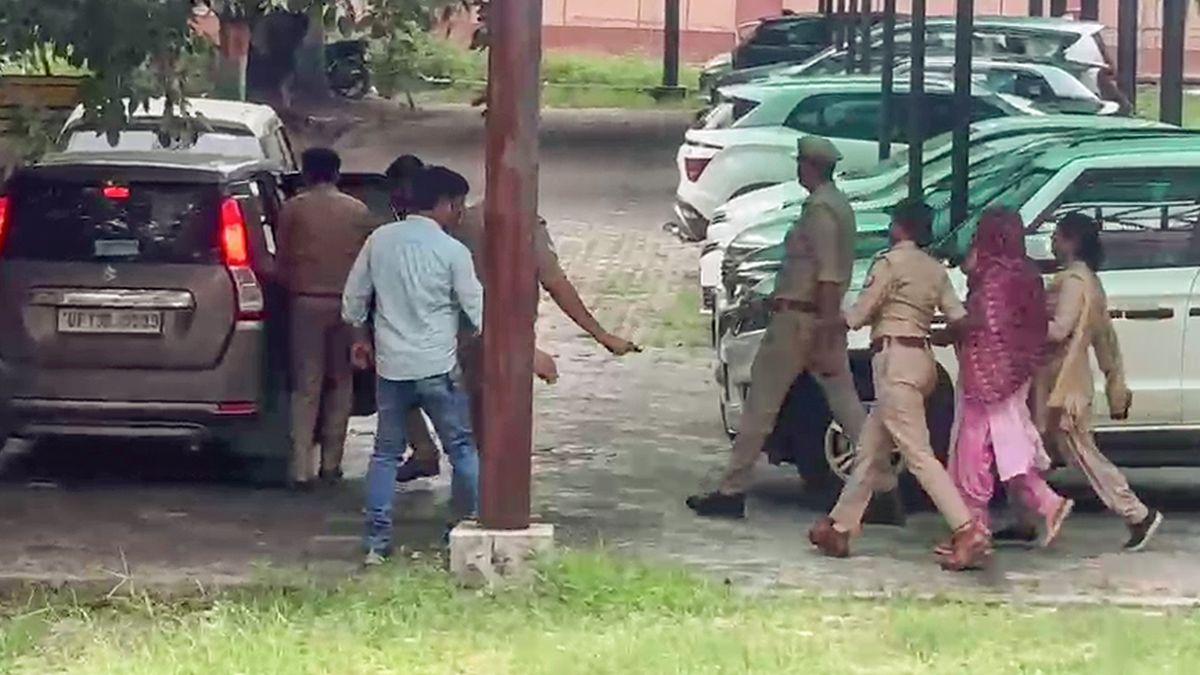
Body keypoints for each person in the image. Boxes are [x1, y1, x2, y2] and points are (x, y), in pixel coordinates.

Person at [388, 154, 641, 483]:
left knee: (474, 427)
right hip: (502, 341)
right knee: (502, 428)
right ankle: (490, 494)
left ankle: (475, 490)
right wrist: (600, 334)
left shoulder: (457, 225)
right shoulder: (521, 225)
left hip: (461, 340)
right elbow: (555, 282)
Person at [686, 136, 874, 520]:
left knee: (761, 405)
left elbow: (827, 274)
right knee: (848, 407)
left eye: (801, 163)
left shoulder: (821, 211)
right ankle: (882, 484)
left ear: (810, 166)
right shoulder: (839, 205)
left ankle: (732, 489)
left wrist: (824, 324)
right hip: (816, 318)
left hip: (800, 321)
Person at [809, 199, 991, 571]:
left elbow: (859, 315)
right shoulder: (934, 269)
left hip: (894, 362)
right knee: (870, 450)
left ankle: (966, 529)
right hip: (922, 359)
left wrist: (822, 321)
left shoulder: (889, 264)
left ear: (899, 227)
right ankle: (840, 526)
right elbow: (959, 319)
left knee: (918, 454)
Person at [343, 166, 483, 566]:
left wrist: (360, 339)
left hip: (391, 368)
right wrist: (469, 340)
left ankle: (376, 542)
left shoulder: (380, 240)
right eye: (459, 205)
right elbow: (477, 310)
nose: (461, 212)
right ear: (444, 204)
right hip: (438, 367)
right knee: (462, 450)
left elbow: (353, 300)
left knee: (385, 454)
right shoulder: (452, 251)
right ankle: (465, 528)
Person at [943, 209, 1073, 547]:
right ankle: (1044, 504)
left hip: (986, 375)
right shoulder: (1028, 273)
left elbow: (984, 323)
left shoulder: (994, 278)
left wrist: (950, 331)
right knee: (1008, 445)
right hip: (1016, 374)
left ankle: (976, 528)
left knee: (972, 453)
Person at [1035, 212, 1163, 551]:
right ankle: (1027, 513)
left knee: (1082, 455)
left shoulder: (1074, 282)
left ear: (1072, 241)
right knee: (1035, 450)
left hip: (1063, 385)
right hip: (1062, 382)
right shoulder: (1087, 280)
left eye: (1057, 235)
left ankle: (1137, 513)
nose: (1052, 241)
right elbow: (1105, 340)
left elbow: (1060, 329)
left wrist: (1022, 325)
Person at [276, 147, 374, 488]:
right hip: (347, 305)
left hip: (305, 302)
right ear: (336, 173)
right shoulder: (358, 211)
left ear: (305, 173)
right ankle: (332, 462)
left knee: (307, 385)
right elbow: (367, 264)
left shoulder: (293, 209)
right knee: (341, 383)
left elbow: (282, 257)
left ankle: (301, 467)